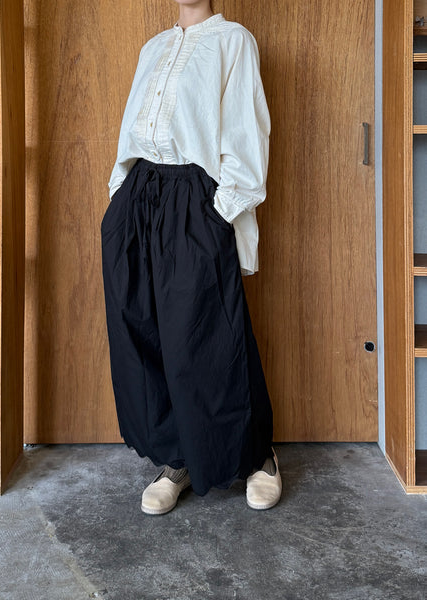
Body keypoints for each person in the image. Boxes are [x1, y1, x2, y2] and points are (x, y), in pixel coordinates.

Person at [100, 0, 282, 515]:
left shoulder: (232, 41)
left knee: (205, 333)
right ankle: (174, 456)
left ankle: (256, 455)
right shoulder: (153, 47)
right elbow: (130, 127)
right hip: (140, 193)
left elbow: (247, 130)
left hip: (193, 199)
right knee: (143, 328)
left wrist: (217, 213)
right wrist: (119, 197)